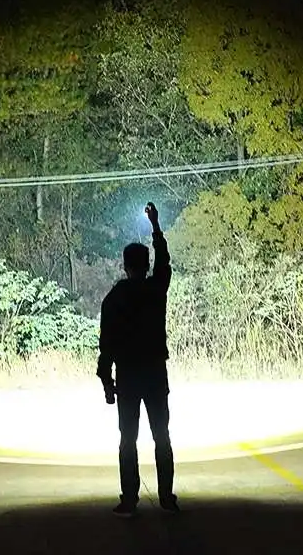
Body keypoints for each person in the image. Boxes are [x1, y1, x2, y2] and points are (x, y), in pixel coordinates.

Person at [97, 201, 178, 517]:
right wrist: (155, 225)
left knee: (128, 439)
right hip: (155, 374)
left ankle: (129, 499)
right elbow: (165, 261)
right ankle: (166, 498)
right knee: (162, 437)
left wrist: (107, 381)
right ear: (145, 265)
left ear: (124, 266)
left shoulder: (114, 298)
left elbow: (107, 343)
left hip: (128, 376)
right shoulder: (156, 290)